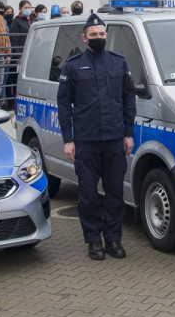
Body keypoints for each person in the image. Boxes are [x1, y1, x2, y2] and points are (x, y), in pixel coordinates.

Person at [56, 14, 136, 261]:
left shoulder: (119, 63)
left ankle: (113, 239)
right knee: (88, 195)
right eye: (94, 35)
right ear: (84, 38)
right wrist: (68, 140)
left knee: (115, 193)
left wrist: (129, 134)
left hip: (114, 139)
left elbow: (128, 100)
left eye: (102, 34)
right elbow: (64, 105)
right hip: (86, 141)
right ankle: (93, 241)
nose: (99, 38)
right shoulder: (72, 65)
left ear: (106, 35)